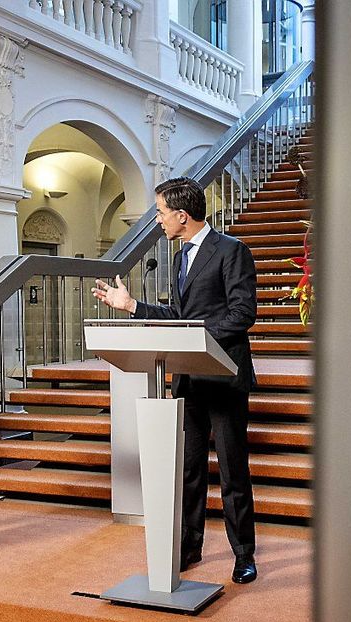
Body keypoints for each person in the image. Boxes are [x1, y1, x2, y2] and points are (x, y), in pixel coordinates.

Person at [92, 177, 259, 584]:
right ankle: (189, 546)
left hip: (223, 377)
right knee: (189, 471)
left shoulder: (232, 251)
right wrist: (131, 306)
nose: (159, 221)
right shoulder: (179, 258)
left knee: (234, 472)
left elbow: (242, 314)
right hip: (188, 378)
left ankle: (243, 555)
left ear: (182, 216)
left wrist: (194, 335)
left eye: (162, 213)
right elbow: (180, 316)